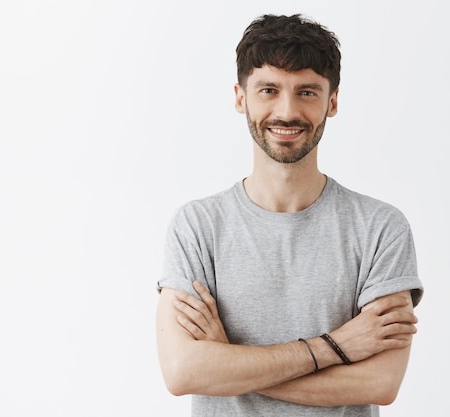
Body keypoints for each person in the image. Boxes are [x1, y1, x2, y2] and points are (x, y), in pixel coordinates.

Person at [156, 13, 424, 416]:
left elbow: (380, 383)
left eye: (307, 92)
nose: (287, 111)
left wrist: (229, 360)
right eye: (268, 90)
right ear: (240, 97)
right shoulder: (197, 226)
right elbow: (183, 371)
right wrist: (335, 347)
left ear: (332, 101)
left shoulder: (380, 228)